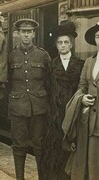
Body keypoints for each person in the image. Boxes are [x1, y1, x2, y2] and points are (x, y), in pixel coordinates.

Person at [8, 18, 51, 180]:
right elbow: (7, 82)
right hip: (18, 107)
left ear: (34, 34)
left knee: (39, 145)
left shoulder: (42, 55)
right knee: (19, 146)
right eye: (23, 32)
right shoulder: (11, 55)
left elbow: (49, 81)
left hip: (39, 107)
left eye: (29, 32)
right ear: (18, 34)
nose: (26, 35)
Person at [41, 21, 84, 180]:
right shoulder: (51, 65)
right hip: (54, 116)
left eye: (66, 42)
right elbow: (46, 87)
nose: (63, 45)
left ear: (71, 44)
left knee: (72, 148)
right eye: (60, 43)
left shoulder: (80, 65)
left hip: (74, 115)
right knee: (54, 149)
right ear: (56, 45)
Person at [62, 22, 99, 180]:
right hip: (88, 121)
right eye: (98, 36)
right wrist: (82, 98)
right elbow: (82, 86)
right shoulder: (90, 61)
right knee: (89, 164)